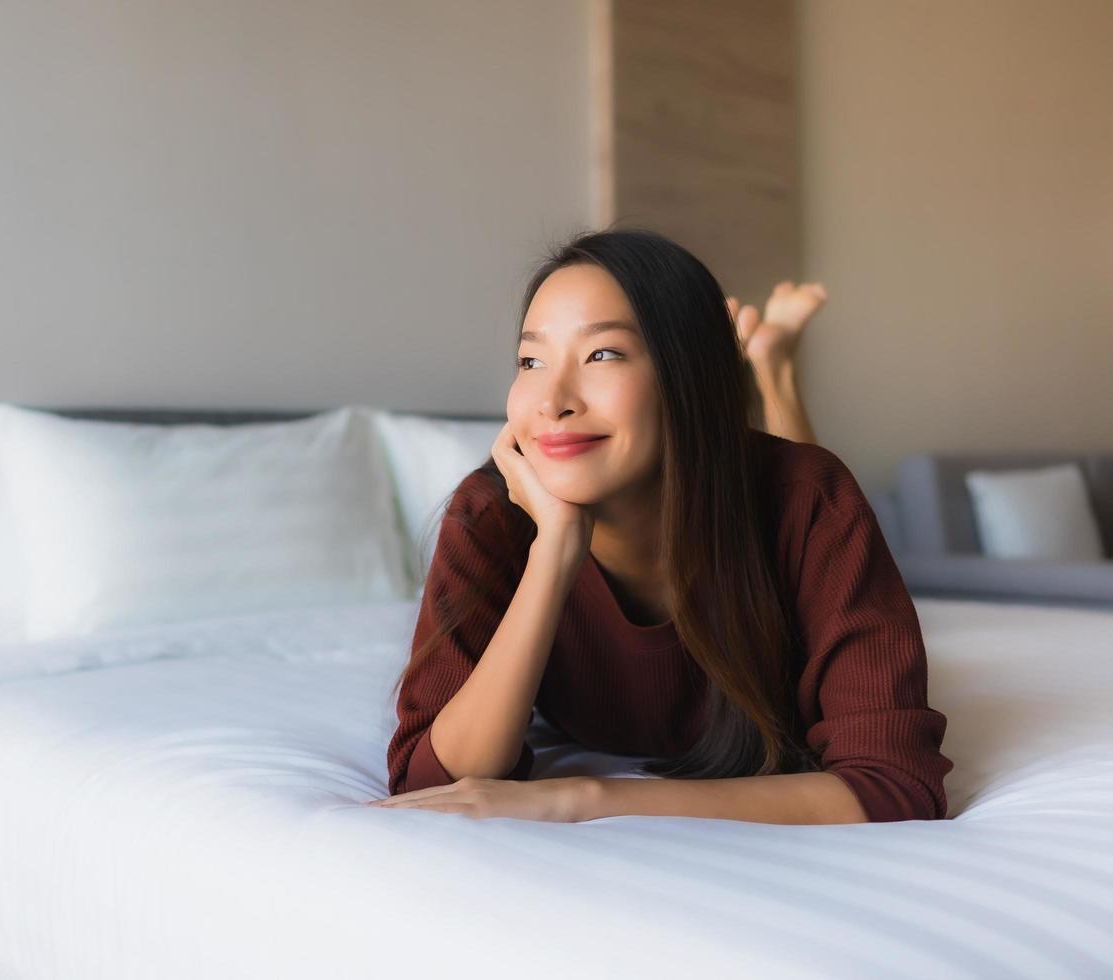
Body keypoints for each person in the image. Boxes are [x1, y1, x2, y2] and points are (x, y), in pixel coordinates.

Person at [366, 228, 952, 825]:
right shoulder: (492, 513)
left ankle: (773, 366)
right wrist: (555, 553)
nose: (552, 400)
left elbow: (895, 784)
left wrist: (582, 797)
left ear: (686, 372)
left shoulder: (813, 499)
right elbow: (428, 780)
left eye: (603, 354)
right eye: (530, 360)